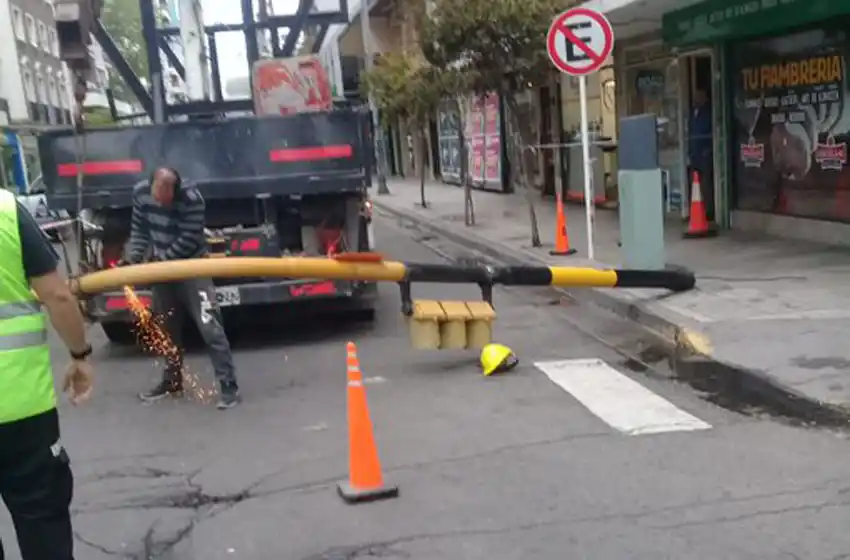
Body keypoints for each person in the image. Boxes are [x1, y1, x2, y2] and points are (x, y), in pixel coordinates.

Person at [0, 188, 94, 560]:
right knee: (43, 528)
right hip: (21, 408)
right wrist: (79, 355)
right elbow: (57, 295)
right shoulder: (7, 210)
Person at [119, 167, 241, 409]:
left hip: (192, 267)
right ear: (150, 184)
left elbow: (189, 238)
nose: (162, 202)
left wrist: (161, 262)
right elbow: (141, 230)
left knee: (210, 327)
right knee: (166, 328)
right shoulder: (140, 193)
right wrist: (133, 259)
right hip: (162, 270)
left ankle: (229, 387)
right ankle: (172, 381)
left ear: (176, 189)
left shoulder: (193, 199)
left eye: (168, 197)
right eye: (158, 195)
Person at [687, 88, 715, 222]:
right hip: (694, 153)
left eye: (698, 96)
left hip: (704, 152)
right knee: (694, 183)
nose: (695, 99)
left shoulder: (708, 112)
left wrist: (708, 148)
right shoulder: (693, 113)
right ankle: (695, 210)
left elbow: (711, 130)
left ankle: (708, 211)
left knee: (706, 183)